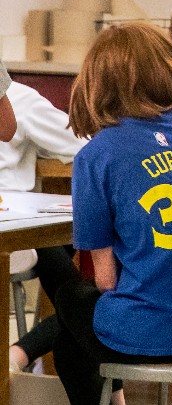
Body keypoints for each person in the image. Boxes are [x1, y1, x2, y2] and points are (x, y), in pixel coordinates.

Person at [54, 23, 172, 405]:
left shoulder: (97, 155)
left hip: (146, 334)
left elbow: (105, 280)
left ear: (96, 84)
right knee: (76, 336)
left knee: (70, 300)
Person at [0, 75, 86, 375]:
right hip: (17, 232)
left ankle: (19, 355)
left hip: (19, 229)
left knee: (78, 295)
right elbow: (82, 146)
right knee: (84, 303)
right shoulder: (20, 100)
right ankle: (20, 354)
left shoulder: (19, 102)